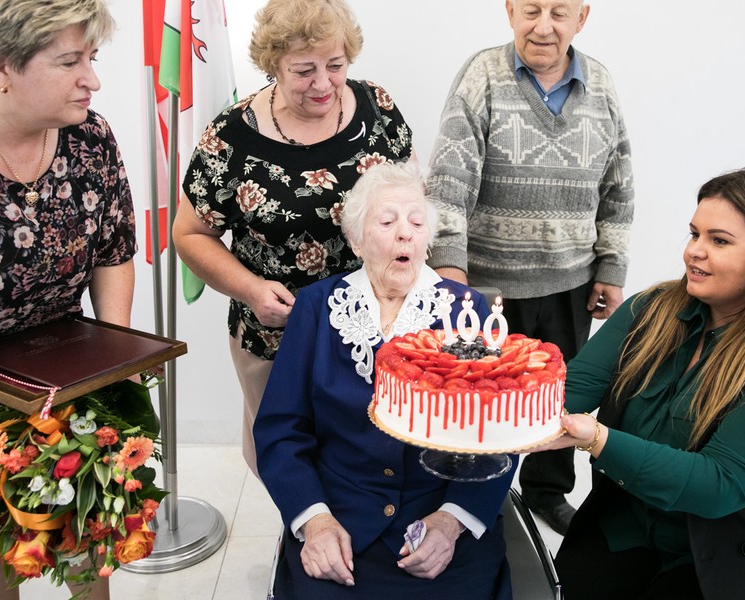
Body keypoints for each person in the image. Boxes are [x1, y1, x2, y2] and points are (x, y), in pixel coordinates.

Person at [528, 167, 745, 598]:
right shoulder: (652, 308)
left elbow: (720, 485)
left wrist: (598, 438)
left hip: (743, 562)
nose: (694, 252)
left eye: (719, 240)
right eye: (694, 234)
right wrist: (484, 397)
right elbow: (564, 392)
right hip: (628, 529)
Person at [172, 0, 414, 479]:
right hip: (274, 337)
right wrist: (249, 290)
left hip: (374, 333)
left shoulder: (378, 110)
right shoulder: (231, 134)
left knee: (369, 463)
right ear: (273, 65)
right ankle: (301, 539)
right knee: (288, 463)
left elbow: (411, 205)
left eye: (336, 65)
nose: (323, 83)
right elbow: (190, 233)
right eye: (303, 70)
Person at [254, 162, 516, 599]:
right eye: (387, 220)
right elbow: (281, 430)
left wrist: (452, 521)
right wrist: (314, 520)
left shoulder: (467, 311)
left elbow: (499, 433)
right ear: (356, 239)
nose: (405, 233)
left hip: (438, 516)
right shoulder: (317, 306)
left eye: (416, 222)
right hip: (340, 519)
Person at [425, 0, 634, 534]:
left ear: (582, 18)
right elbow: (449, 177)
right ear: (510, 11)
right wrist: (450, 265)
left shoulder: (602, 86)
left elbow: (618, 185)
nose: (544, 26)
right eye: (532, 9)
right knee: (479, 395)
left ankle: (546, 492)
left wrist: (611, 264)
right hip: (488, 283)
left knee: (557, 396)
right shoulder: (483, 76)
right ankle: (469, 501)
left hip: (572, 280)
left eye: (559, 12)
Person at [0, 1, 135, 598]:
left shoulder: (90, 138)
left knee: (88, 560)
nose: (93, 79)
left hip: (71, 385)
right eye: (69, 62)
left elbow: (113, 251)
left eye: (93, 58)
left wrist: (116, 358)